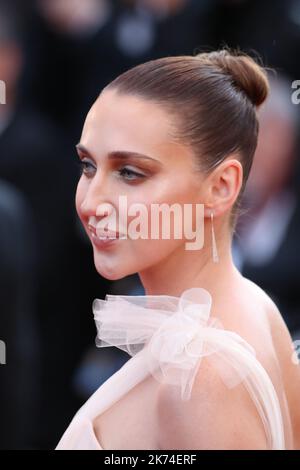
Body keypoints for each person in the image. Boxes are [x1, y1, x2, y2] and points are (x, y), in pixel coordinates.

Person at [56, 48, 300, 450]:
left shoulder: (196, 379)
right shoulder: (253, 305)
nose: (91, 202)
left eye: (130, 173)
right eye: (88, 166)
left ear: (221, 187)